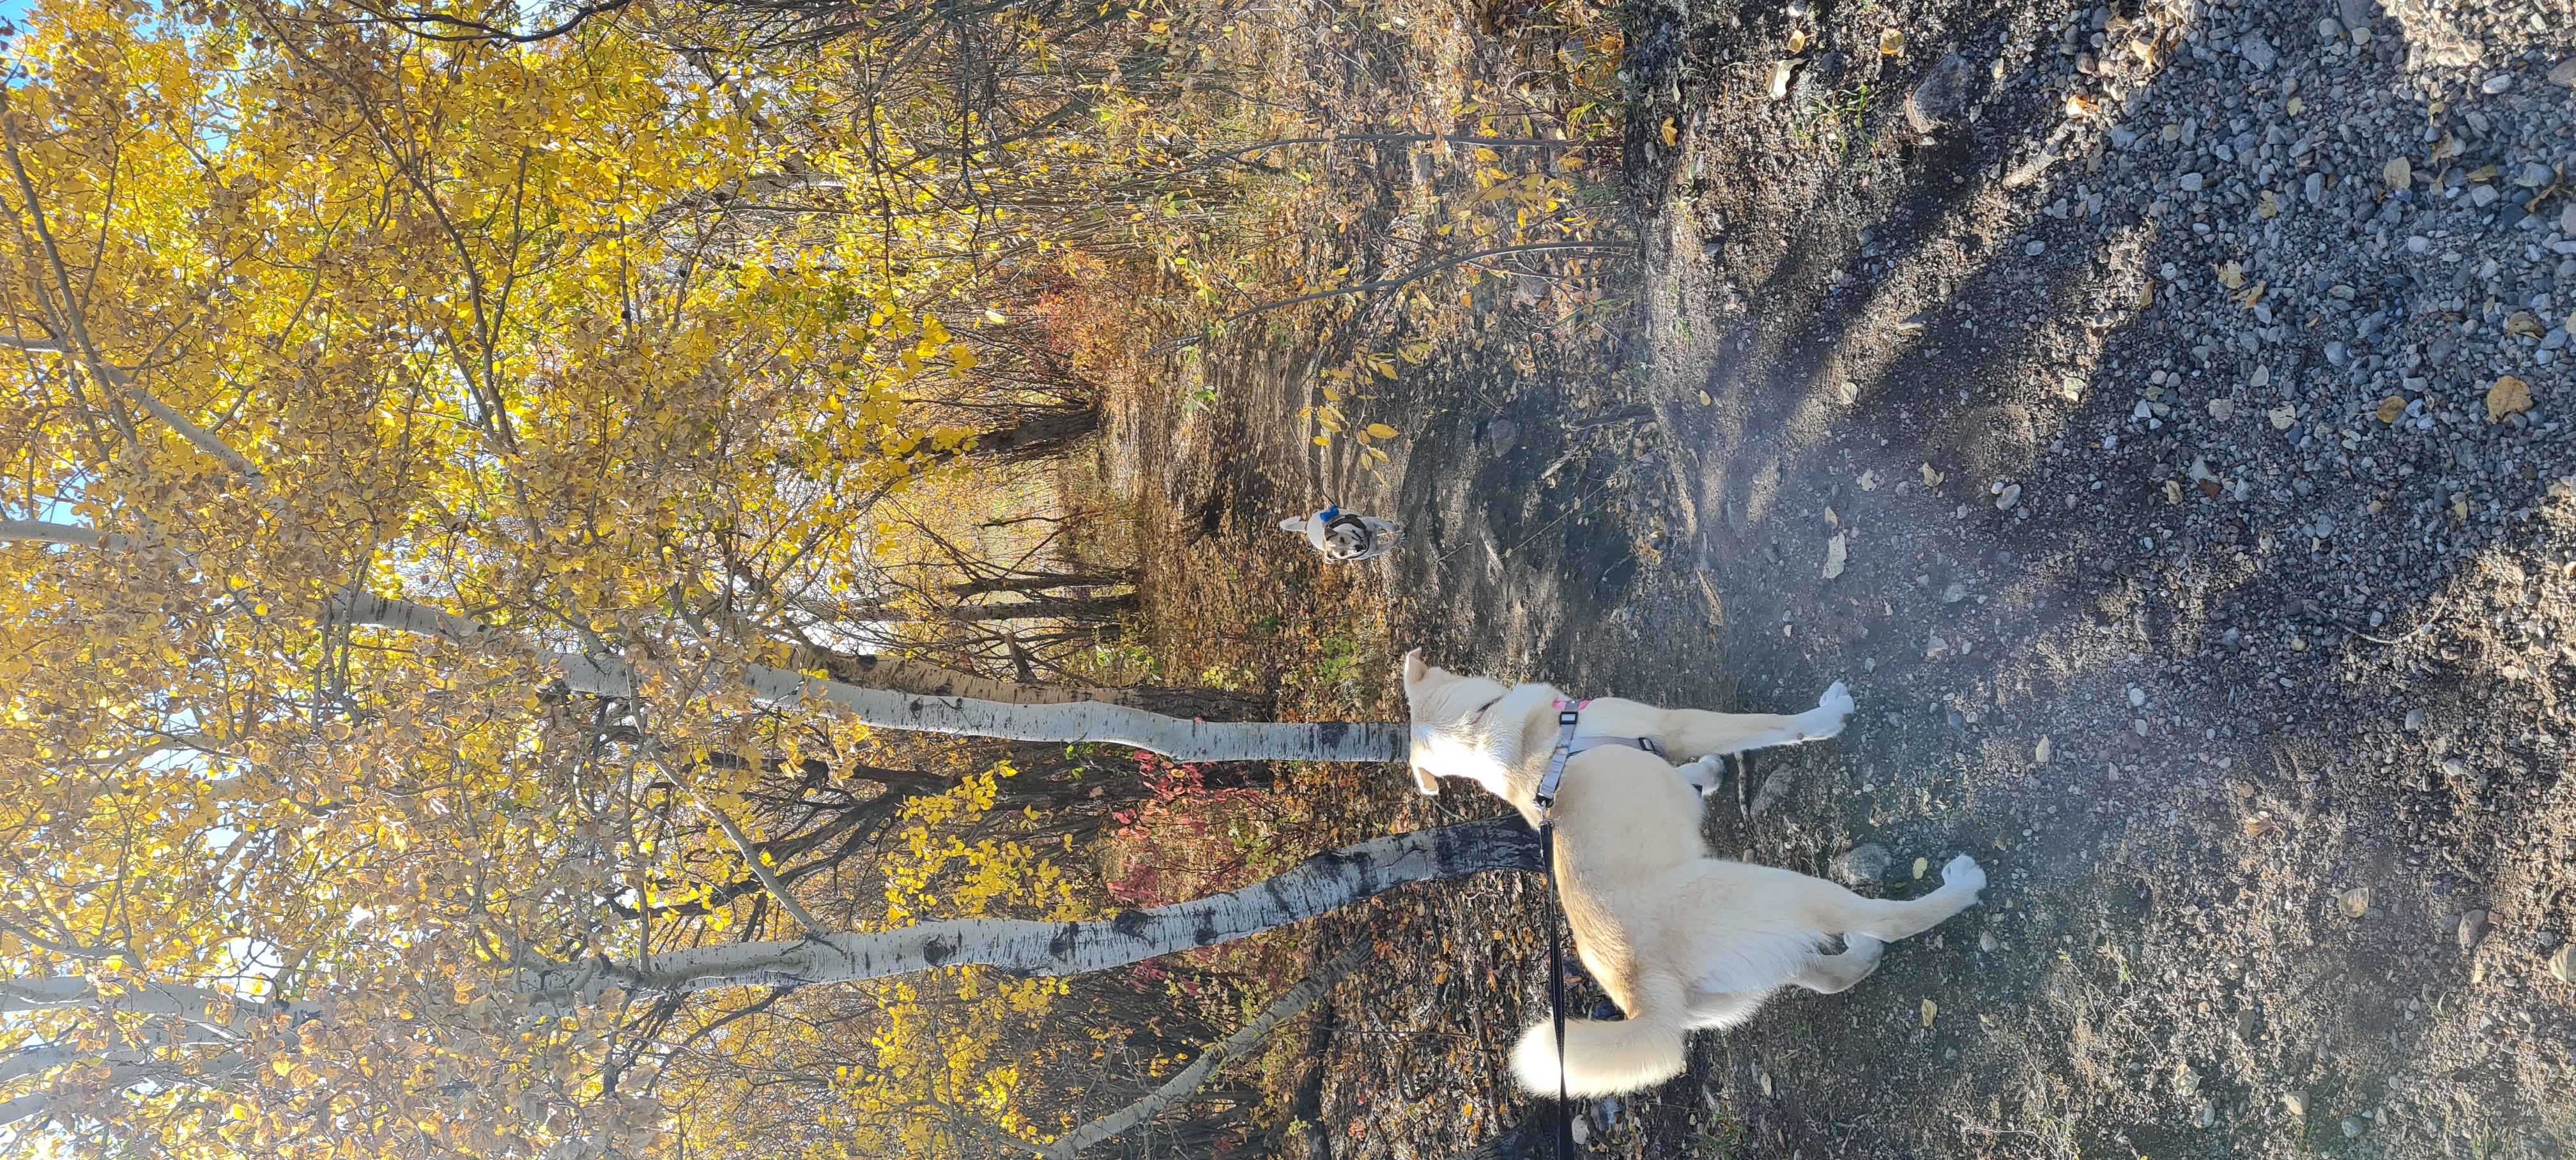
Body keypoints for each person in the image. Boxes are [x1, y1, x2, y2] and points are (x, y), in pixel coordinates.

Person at [1276, 505, 1403, 563]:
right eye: (1343, 554)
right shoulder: (1360, 554)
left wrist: (1392, 527)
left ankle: (1355, 517)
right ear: (1335, 558)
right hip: (1319, 538)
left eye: (1342, 540)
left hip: (1317, 521)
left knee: (1362, 519)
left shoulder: (1340, 529)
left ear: (1334, 533)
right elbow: (1377, 550)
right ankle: (1376, 533)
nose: (1351, 548)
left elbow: (1372, 520)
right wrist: (1395, 542)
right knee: (1372, 547)